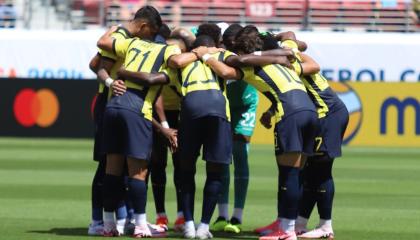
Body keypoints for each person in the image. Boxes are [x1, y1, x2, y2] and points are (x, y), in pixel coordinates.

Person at [199, 25, 319, 240]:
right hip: (309, 111)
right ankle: (284, 224)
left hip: (290, 113)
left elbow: (228, 70)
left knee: (289, 175)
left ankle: (287, 230)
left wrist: (207, 56)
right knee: (294, 174)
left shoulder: (251, 66)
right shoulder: (278, 62)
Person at [95, 5, 181, 238]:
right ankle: (141, 225)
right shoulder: (167, 53)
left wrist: (115, 31)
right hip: (137, 108)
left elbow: (103, 44)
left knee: (112, 169)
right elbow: (175, 65)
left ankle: (108, 224)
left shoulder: (130, 43)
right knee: (138, 172)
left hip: (113, 106)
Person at [280, 35, 349, 240]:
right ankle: (301, 223)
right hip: (319, 116)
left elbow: (314, 65)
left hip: (328, 114)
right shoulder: (289, 59)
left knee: (321, 169)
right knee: (310, 171)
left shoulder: (292, 65)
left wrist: (291, 50)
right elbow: (291, 37)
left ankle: (326, 226)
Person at [86, 20, 142, 236]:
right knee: (106, 165)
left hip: (123, 105)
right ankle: (97, 220)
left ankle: (122, 217)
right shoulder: (120, 38)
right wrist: (111, 82)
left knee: (125, 165)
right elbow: (94, 64)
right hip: (110, 103)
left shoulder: (133, 41)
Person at [212, 23, 259, 234]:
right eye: (228, 45)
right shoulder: (219, 51)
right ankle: (221, 215)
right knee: (222, 159)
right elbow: (187, 33)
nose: (232, 49)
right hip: (225, 106)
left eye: (234, 45)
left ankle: (237, 217)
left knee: (240, 156)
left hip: (246, 106)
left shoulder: (248, 51)